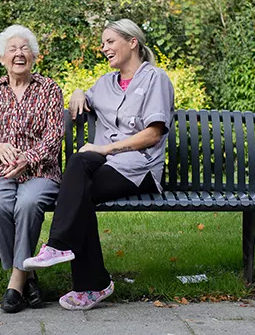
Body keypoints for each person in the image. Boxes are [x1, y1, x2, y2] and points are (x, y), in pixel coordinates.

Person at [22, 19, 174, 311]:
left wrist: (106, 148)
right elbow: (83, 97)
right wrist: (78, 92)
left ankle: (66, 255)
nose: (103, 48)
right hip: (104, 164)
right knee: (82, 186)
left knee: (81, 181)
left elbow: (153, 134)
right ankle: (89, 280)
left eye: (109, 41)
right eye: (103, 43)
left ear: (132, 43)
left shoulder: (156, 79)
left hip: (139, 169)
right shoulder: (105, 83)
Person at [0, 24, 64, 313]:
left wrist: (29, 158)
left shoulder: (49, 89)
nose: (19, 54)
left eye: (25, 49)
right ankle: (28, 275)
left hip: (40, 171)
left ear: (34, 56)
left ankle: (15, 282)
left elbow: (54, 134)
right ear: (2, 58)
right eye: (13, 49)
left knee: (29, 202)